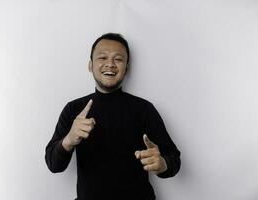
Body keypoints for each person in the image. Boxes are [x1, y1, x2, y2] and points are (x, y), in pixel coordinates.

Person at [45, 33, 181, 200]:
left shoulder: (144, 109)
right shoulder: (74, 109)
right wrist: (69, 140)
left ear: (127, 68)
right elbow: (53, 165)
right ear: (90, 65)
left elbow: (174, 159)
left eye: (118, 59)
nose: (110, 64)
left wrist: (162, 164)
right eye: (102, 57)